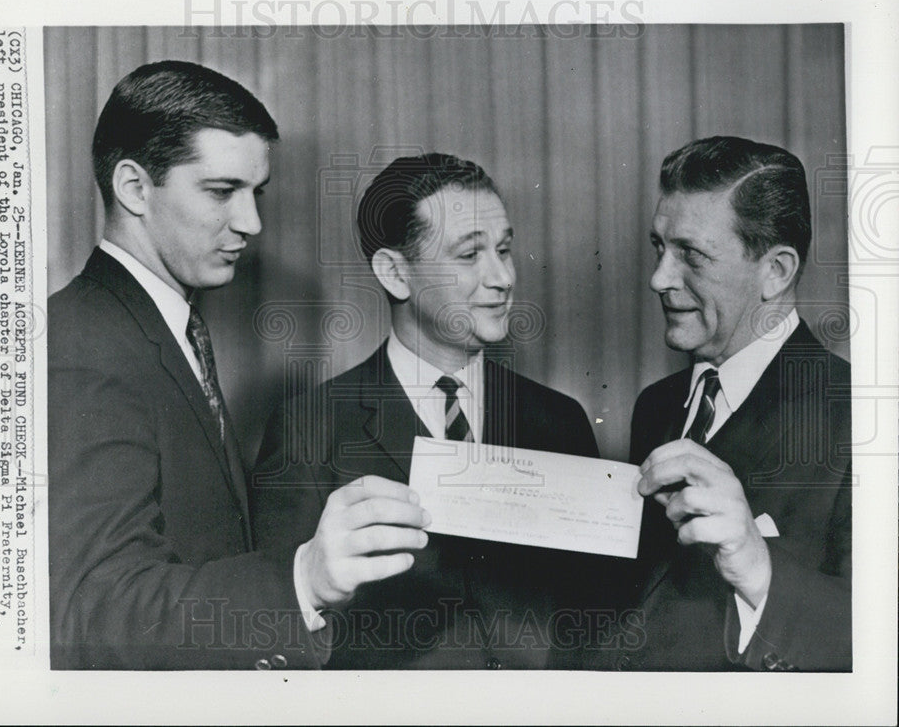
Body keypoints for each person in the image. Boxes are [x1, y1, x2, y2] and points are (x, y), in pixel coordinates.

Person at [48, 61, 429, 670]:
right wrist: (302, 579)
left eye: (257, 193)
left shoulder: (154, 325)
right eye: (222, 191)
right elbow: (96, 608)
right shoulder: (80, 343)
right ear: (134, 187)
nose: (252, 223)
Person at [251, 153, 605, 669]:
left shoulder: (560, 420)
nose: (503, 276)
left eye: (504, 249)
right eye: (469, 256)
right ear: (396, 273)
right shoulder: (310, 427)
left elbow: (596, 614)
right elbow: (285, 626)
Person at [587, 136, 851, 671]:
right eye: (659, 247)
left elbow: (878, 647)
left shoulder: (860, 418)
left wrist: (758, 566)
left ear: (776, 271)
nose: (659, 278)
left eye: (692, 255)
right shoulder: (657, 405)